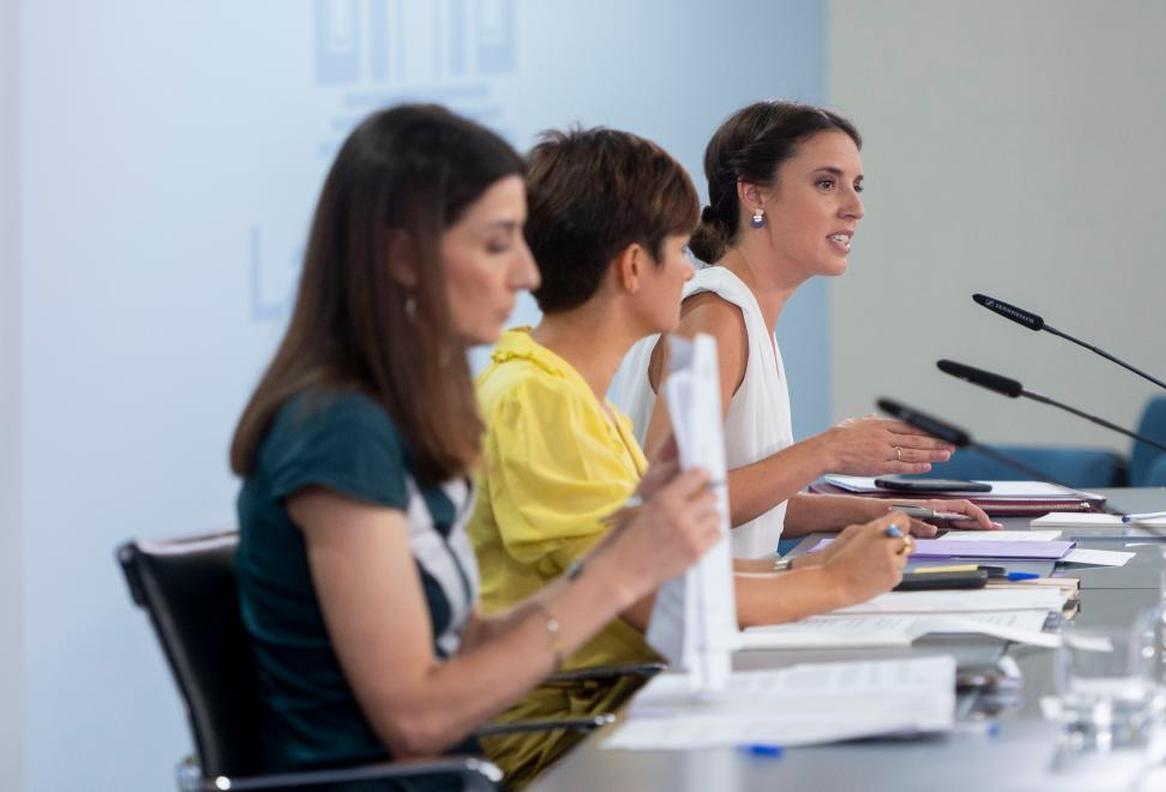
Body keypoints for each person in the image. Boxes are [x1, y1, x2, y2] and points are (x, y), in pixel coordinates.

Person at [229, 105, 721, 791]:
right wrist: (620, 573)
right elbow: (417, 718)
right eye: (497, 245)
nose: (525, 273)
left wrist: (628, 545)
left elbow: (471, 646)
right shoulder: (340, 432)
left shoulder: (396, 418)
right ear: (404, 258)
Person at [467, 127, 919, 785]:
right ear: (631, 267)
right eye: (679, 251)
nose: (690, 272)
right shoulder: (536, 400)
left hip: (627, 699)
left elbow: (660, 583)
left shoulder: (567, 394)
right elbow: (652, 598)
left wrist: (825, 571)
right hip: (569, 740)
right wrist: (831, 583)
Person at [611, 101, 998, 558]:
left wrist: (884, 511)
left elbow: (743, 505)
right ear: (755, 195)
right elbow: (669, 503)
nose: (855, 208)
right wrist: (829, 450)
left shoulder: (740, 310)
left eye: (856, 186)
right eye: (826, 184)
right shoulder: (713, 320)